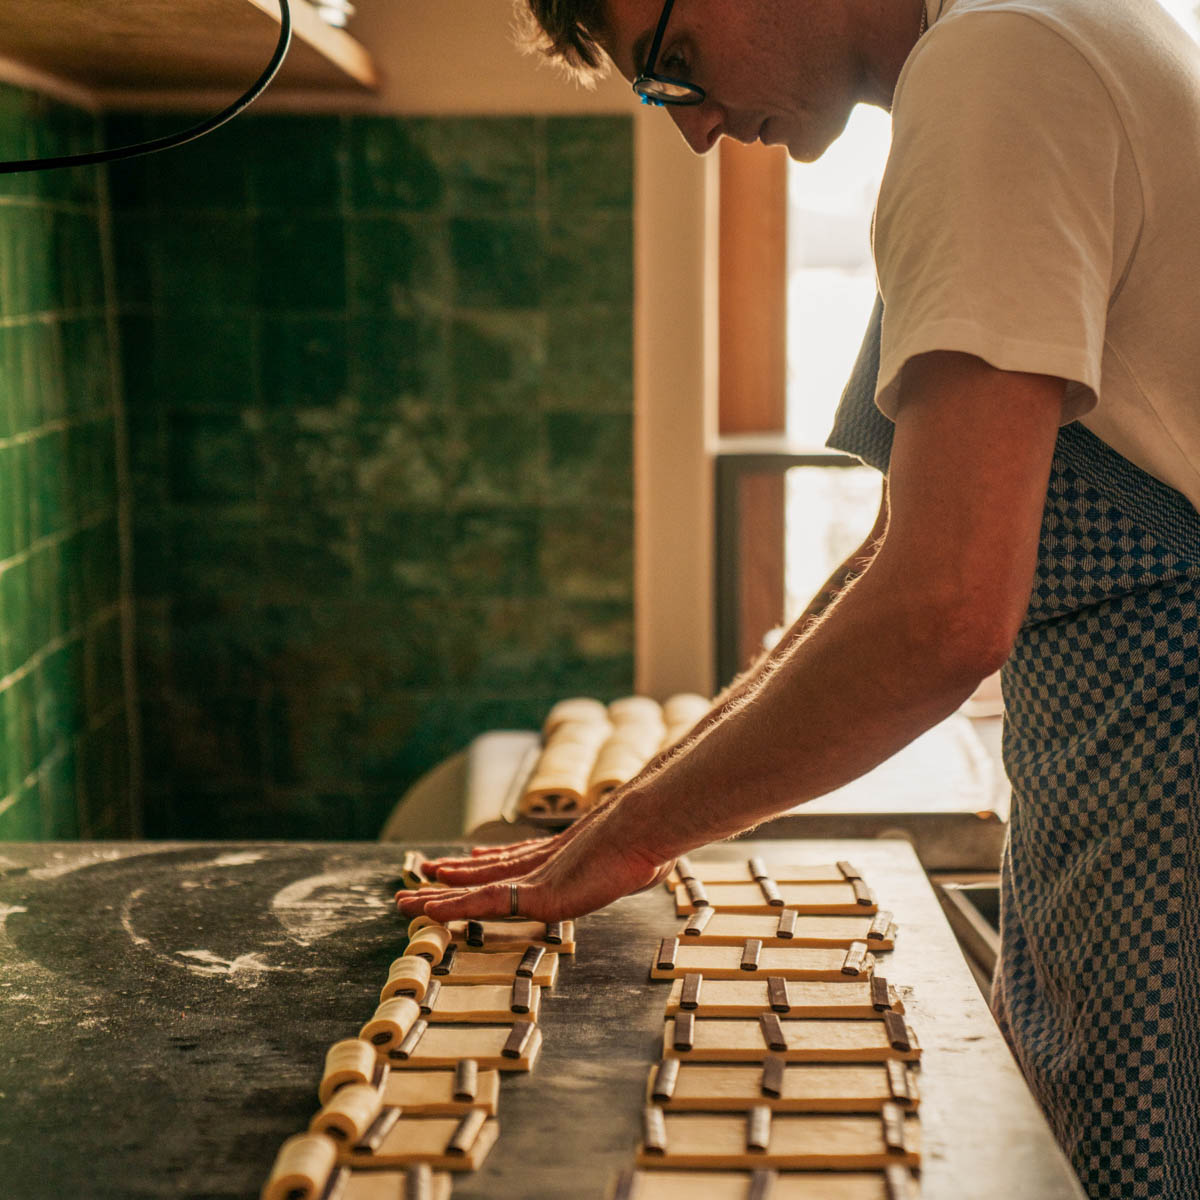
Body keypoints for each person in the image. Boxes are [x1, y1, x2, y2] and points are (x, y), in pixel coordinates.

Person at [397, 1, 1200, 1195]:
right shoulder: (1011, 42)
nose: (696, 130)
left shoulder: (1000, 67)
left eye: (675, 67)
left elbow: (942, 613)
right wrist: (629, 806)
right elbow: (898, 548)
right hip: (1125, 783)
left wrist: (634, 837)